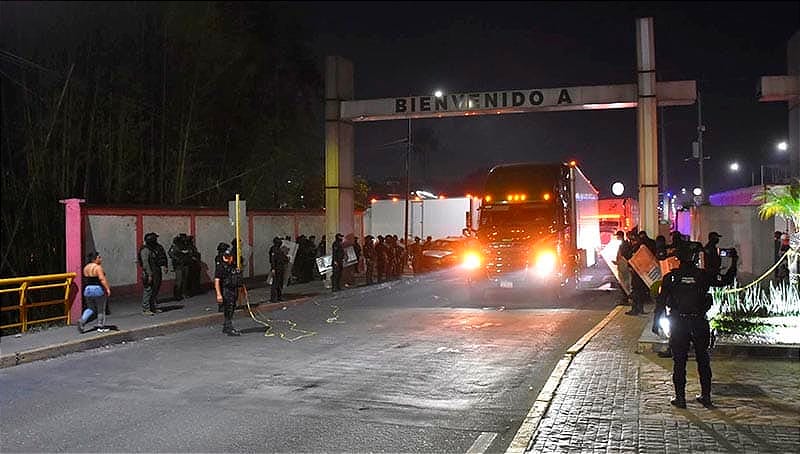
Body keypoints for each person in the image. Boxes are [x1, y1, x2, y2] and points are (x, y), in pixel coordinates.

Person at [659, 242, 737, 408]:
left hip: (679, 323)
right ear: (695, 258)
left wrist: (655, 321)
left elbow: (661, 302)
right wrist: (734, 262)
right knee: (703, 359)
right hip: (699, 322)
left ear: (678, 258)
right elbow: (726, 280)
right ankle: (706, 396)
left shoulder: (671, 277)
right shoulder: (703, 276)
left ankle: (680, 398)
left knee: (679, 361)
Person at [78, 251, 111, 333]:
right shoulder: (98, 267)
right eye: (99, 257)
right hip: (97, 289)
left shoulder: (85, 268)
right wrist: (107, 289)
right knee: (100, 309)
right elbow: (102, 279)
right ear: (94, 259)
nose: (101, 259)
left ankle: (82, 320)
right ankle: (101, 326)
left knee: (90, 308)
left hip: (87, 289)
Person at [214, 247, 242, 336]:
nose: (227, 258)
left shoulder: (233, 266)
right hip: (226, 290)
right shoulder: (221, 267)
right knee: (228, 309)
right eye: (225, 257)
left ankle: (226, 326)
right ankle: (229, 327)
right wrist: (218, 294)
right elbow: (217, 281)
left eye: (229, 257)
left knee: (232, 308)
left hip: (234, 290)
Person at [139, 232, 167, 316]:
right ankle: (145, 309)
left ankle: (153, 307)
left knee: (155, 289)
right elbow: (145, 263)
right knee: (148, 290)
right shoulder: (145, 250)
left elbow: (161, 257)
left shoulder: (155, 249)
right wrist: (149, 274)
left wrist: (164, 265)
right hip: (149, 272)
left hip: (156, 271)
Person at [168, 233, 192, 301]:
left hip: (185, 264)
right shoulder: (175, 245)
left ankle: (184, 293)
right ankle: (177, 295)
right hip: (178, 265)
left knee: (185, 280)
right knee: (179, 280)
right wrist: (178, 259)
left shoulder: (186, 245)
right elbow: (170, 253)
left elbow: (190, 252)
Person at [613, 230, 632, 305]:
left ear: (620, 236)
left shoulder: (623, 245)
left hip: (624, 267)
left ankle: (627, 298)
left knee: (624, 283)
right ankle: (627, 297)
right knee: (626, 283)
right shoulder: (626, 244)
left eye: (617, 236)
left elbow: (623, 257)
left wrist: (617, 262)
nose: (617, 237)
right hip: (624, 266)